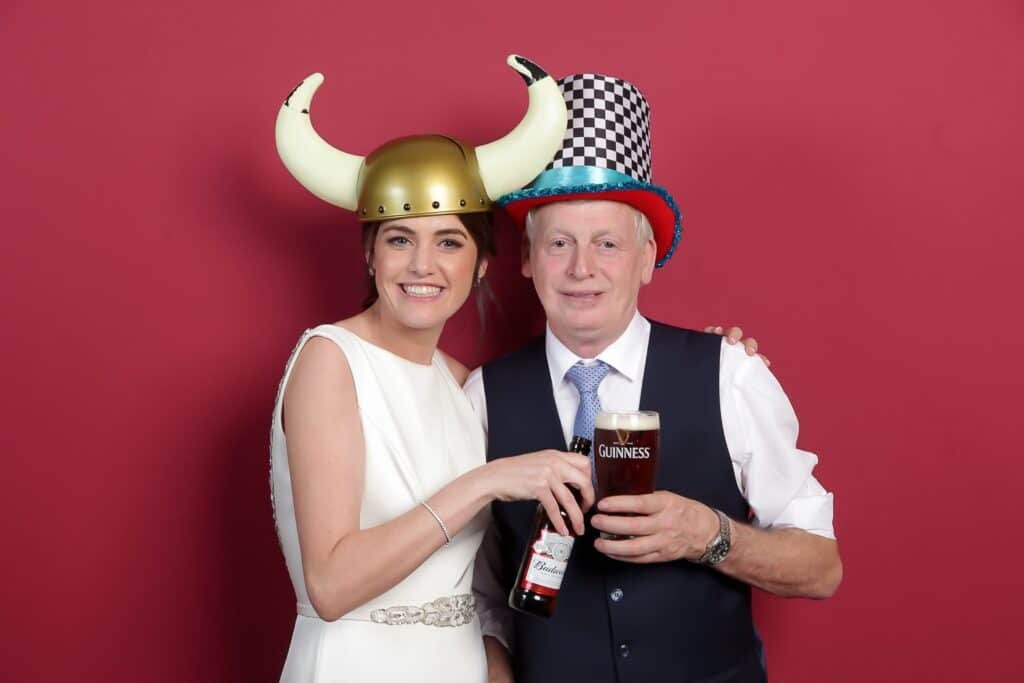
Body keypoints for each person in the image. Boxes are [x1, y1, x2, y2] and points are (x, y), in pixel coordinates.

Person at [467, 73, 843, 683]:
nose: (582, 268)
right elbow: (473, 593)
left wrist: (709, 535)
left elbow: (821, 568)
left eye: (608, 244)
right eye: (559, 242)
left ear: (646, 260)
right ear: (528, 261)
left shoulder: (731, 374)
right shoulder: (481, 397)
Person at [268, 55, 599, 682]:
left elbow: (468, 580)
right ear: (370, 255)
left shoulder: (456, 380)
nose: (423, 265)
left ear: (480, 264)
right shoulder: (329, 360)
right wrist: (487, 480)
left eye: (449, 241)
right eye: (399, 239)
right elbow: (333, 586)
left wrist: (493, 663)